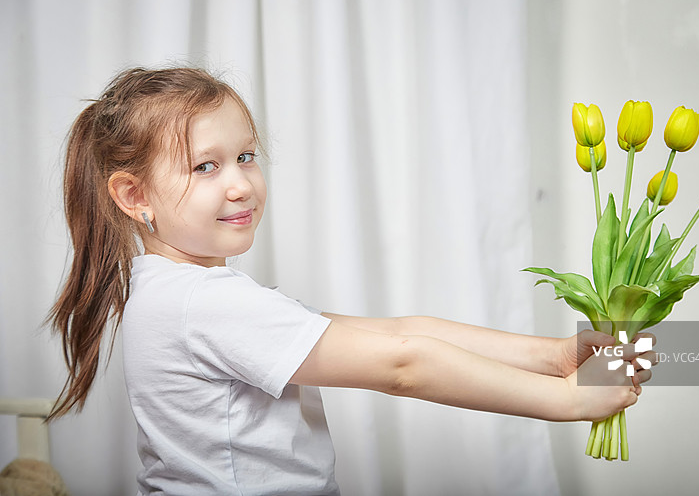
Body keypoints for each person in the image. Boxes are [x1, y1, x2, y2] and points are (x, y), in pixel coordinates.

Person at [46, 67, 655, 495]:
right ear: (133, 195)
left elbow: (397, 333)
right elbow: (403, 365)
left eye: (247, 156)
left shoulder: (175, 292)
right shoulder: (203, 303)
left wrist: (550, 357)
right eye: (206, 166)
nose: (240, 183)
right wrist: (569, 401)